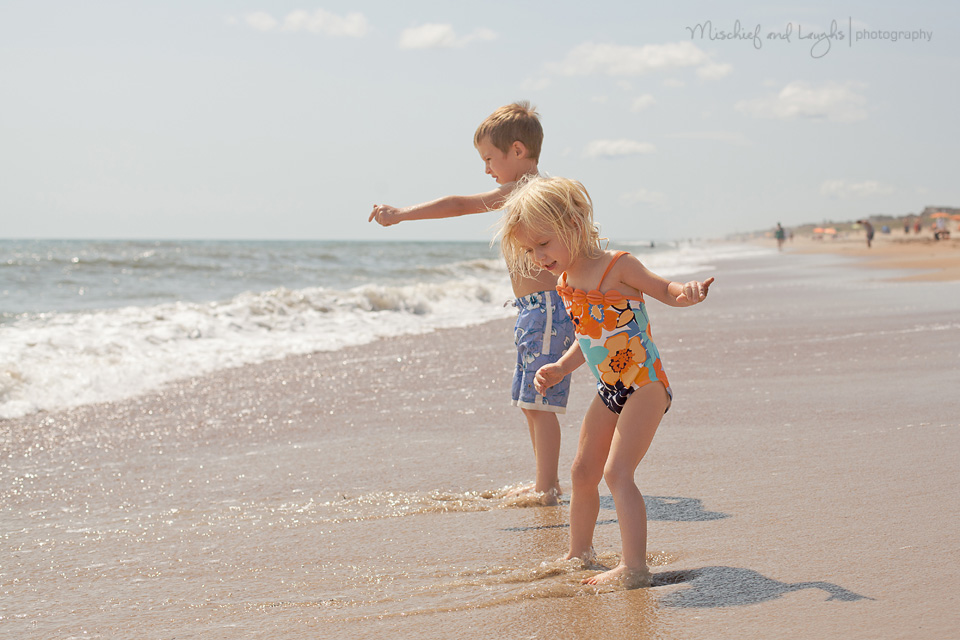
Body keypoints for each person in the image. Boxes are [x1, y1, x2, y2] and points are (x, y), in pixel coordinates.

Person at [496, 176, 713, 586]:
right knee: (582, 472)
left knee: (617, 473)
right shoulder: (565, 283)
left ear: (574, 224)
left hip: (645, 384)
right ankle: (580, 551)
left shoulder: (618, 266)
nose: (538, 257)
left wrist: (687, 293)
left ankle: (635, 568)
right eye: (529, 250)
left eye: (543, 243)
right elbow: (588, 336)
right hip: (610, 388)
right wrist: (561, 367)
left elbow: (665, 290)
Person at [367, 102, 574, 505]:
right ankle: (545, 480)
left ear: (517, 150)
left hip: (548, 308)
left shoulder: (531, 192)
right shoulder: (527, 192)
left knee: (539, 402)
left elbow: (459, 204)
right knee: (529, 402)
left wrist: (402, 214)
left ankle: (547, 488)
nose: (486, 169)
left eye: (489, 159)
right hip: (533, 310)